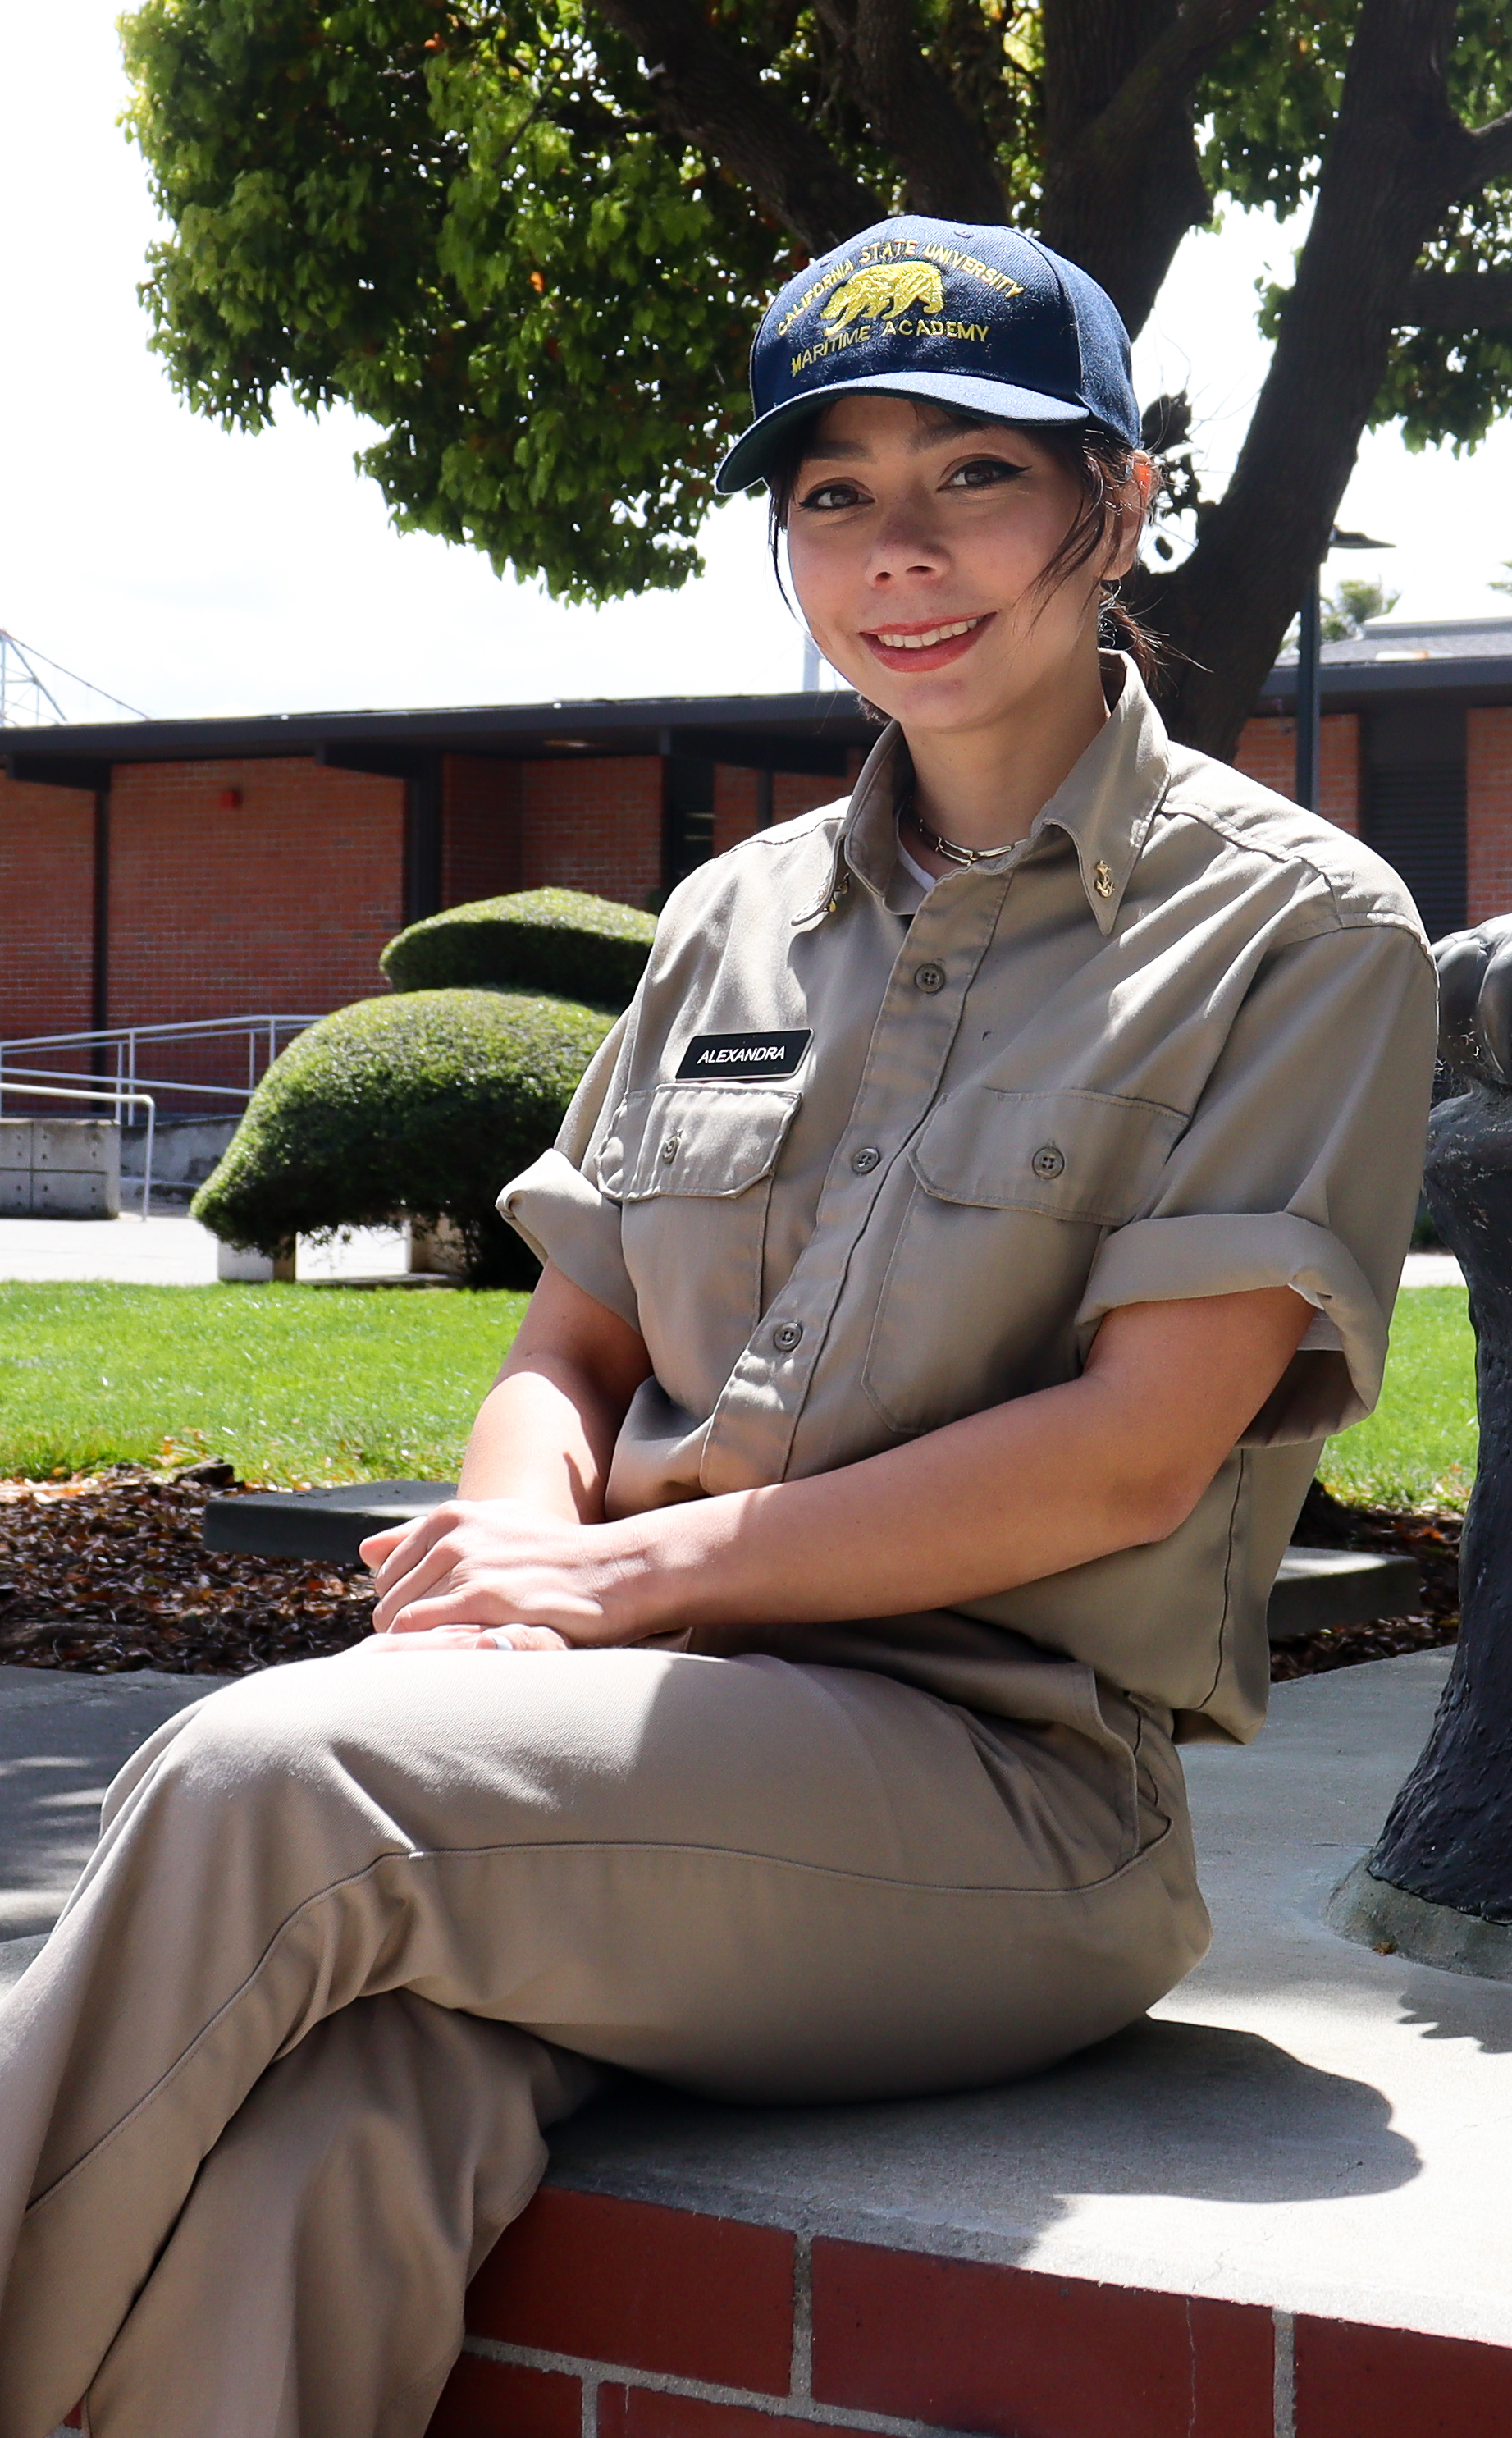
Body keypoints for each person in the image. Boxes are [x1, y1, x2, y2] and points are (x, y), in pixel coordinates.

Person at [0, 221, 1437, 2437]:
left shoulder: (1298, 928)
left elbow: (1133, 1455)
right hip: (619, 1741)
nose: (899, 550)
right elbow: (563, 1351)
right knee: (350, 2113)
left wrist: (605, 1581)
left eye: (974, 473)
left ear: (1123, 501)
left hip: (1000, 1804)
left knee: (265, 1778)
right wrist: (496, 1591)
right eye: (833, 491)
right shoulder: (729, 916)